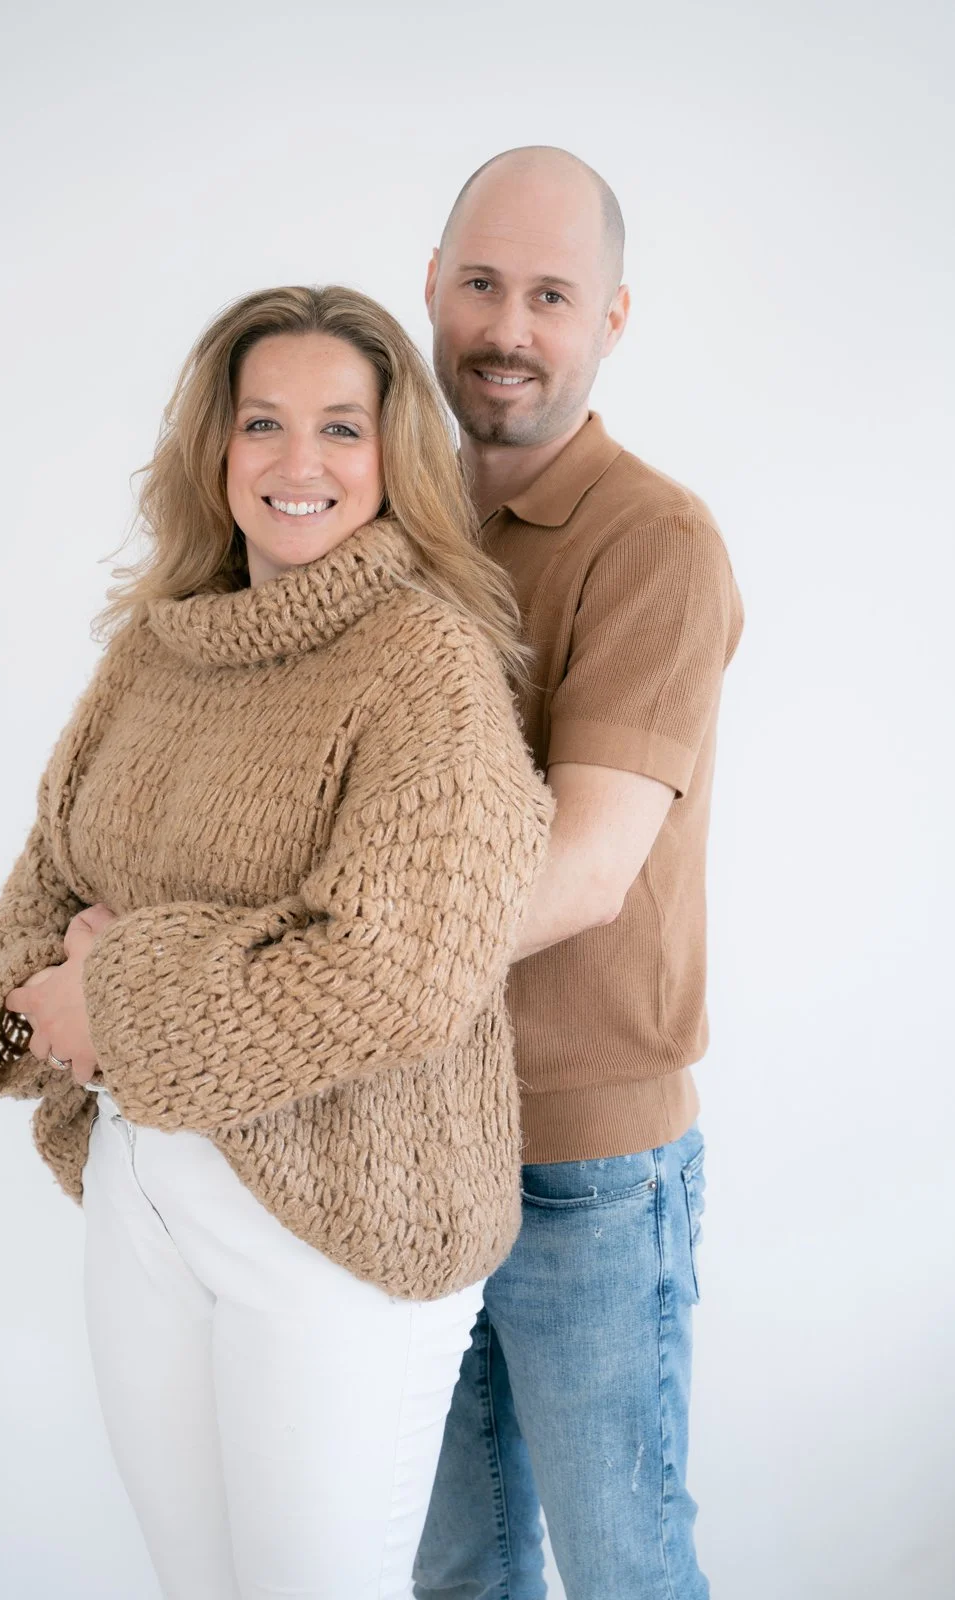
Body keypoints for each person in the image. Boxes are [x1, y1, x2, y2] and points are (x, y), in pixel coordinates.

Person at [0, 284, 552, 1600]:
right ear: (212, 452)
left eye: (341, 428)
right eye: (263, 423)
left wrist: (112, 991)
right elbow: (42, 887)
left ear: (391, 456)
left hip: (340, 1215)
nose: (299, 463)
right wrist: (52, 998)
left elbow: (399, 975)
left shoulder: (424, 667)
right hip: (143, 1181)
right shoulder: (155, 649)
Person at [414, 147, 744, 1600]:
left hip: (586, 1166)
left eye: (550, 294)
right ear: (432, 287)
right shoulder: (392, 526)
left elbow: (586, 867)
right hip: (413, 1139)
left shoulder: (650, 541)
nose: (507, 327)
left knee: (624, 1571)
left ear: (610, 317)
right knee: (454, 1570)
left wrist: (295, 986)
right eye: (482, 283)